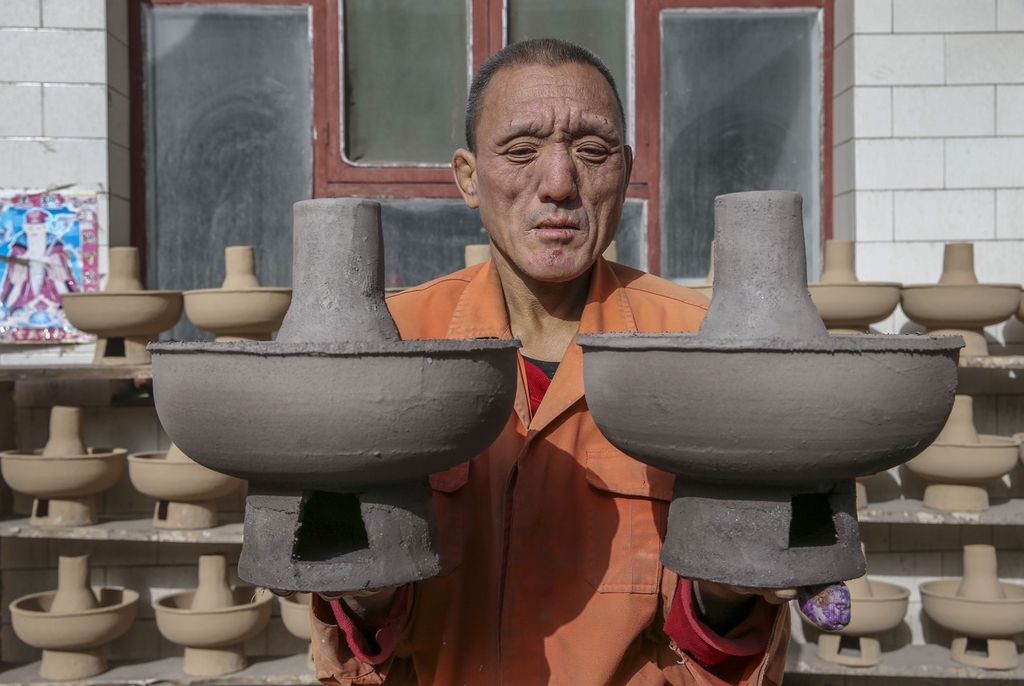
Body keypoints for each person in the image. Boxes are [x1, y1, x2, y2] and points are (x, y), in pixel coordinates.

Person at [311, 38, 791, 685]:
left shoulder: (699, 345)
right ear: (468, 177)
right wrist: (361, 596)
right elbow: (356, 652)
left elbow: (729, 653)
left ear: (623, 170)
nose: (560, 183)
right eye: (520, 150)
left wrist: (725, 600)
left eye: (592, 151)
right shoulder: (395, 343)